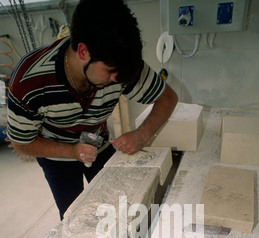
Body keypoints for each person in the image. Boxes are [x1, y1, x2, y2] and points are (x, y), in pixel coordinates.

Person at [7, 0, 178, 220]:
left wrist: (141, 134)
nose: (118, 79)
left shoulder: (121, 65)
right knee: (74, 218)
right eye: (111, 71)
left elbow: (168, 97)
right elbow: (22, 143)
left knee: (119, 207)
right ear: (83, 52)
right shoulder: (29, 81)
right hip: (56, 152)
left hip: (98, 141)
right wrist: (71, 151)